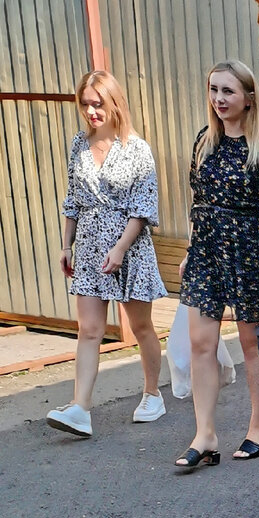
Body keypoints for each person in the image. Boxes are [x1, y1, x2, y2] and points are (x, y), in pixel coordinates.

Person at [175, 60, 259, 469]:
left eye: (228, 91)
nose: (219, 99)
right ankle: (205, 434)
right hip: (206, 250)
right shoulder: (204, 141)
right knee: (201, 343)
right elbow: (196, 199)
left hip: (249, 251)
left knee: (251, 345)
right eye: (214, 90)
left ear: (248, 97)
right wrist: (191, 248)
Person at [47, 70, 168, 438]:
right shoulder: (78, 145)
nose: (91, 111)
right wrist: (66, 245)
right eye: (85, 104)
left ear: (114, 103)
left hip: (128, 246)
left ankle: (152, 393)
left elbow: (143, 207)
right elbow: (73, 199)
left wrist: (120, 248)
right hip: (88, 245)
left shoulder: (137, 148)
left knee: (141, 326)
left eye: (97, 104)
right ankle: (81, 408)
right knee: (89, 330)